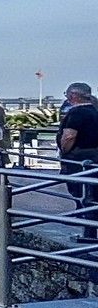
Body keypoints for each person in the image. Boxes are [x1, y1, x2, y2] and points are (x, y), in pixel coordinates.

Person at [58, 83, 98, 237]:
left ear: (73, 95)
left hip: (79, 157)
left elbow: (69, 136)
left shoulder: (77, 113)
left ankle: (88, 225)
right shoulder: (94, 111)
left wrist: (64, 151)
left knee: (79, 188)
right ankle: (87, 220)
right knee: (90, 190)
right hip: (93, 156)